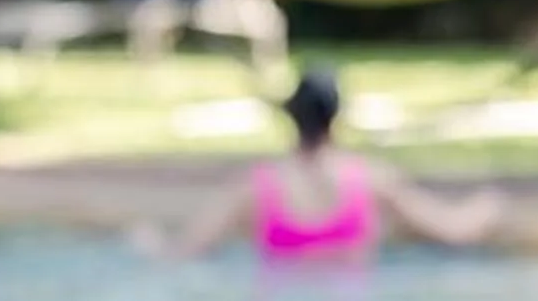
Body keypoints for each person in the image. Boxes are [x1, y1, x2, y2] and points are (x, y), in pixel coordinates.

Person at [162, 70, 504, 260]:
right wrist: (488, 206)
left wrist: (146, 242)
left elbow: (187, 250)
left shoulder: (254, 187)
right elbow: (452, 230)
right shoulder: (373, 180)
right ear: (336, 117)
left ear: (292, 116)